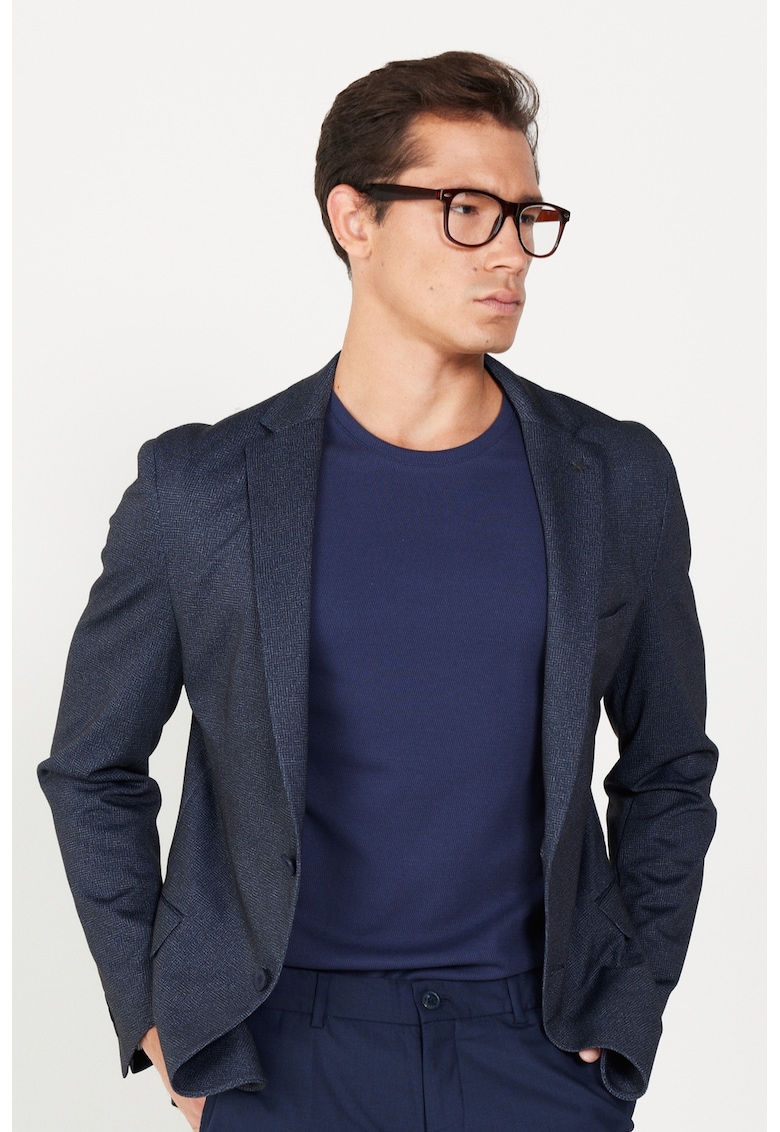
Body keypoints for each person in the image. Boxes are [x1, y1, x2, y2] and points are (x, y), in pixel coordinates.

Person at [38, 50, 718, 1132]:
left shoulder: (613, 477)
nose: (512, 251)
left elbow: (670, 764)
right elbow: (92, 767)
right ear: (353, 217)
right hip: (279, 1051)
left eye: (526, 216)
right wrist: (160, 1016)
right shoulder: (201, 488)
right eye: (466, 211)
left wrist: (629, 999)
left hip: (538, 1048)